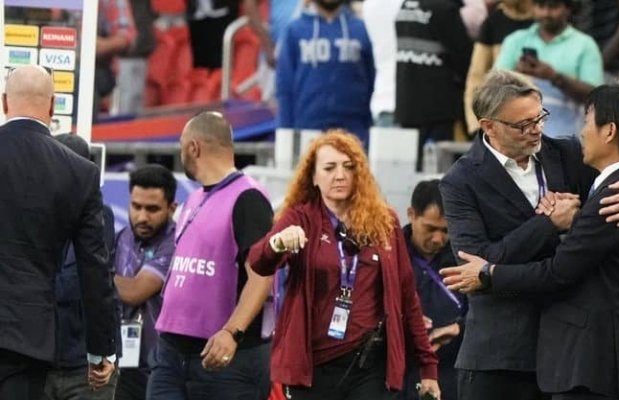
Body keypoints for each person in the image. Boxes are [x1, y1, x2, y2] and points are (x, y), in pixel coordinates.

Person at [440, 70, 619, 400]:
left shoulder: (566, 153)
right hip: (501, 356)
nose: (536, 129)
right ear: (488, 126)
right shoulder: (460, 181)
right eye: (523, 125)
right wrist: (548, 224)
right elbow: (477, 263)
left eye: (540, 118)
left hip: (568, 354)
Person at [246, 131, 441, 400]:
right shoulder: (300, 217)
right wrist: (277, 244)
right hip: (312, 365)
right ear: (313, 177)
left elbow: (407, 296)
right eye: (329, 168)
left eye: (349, 167)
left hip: (369, 362)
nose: (340, 175)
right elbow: (259, 262)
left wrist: (428, 366)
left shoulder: (384, 222)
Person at [0, 65, 116, 398]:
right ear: (52, 106)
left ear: (5, 102)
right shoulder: (80, 172)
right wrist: (100, 349)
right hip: (28, 337)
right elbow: (95, 269)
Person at [149, 112, 274, 399]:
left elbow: (262, 275)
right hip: (172, 352)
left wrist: (232, 332)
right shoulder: (194, 198)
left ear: (193, 147)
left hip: (224, 358)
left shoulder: (248, 198)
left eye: (182, 146)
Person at [45, 134, 120, 400]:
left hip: (85, 364)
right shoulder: (32, 212)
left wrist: (105, 352)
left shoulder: (100, 215)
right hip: (39, 360)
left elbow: (85, 280)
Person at [113, 164, 178, 400]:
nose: (142, 217)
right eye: (136, 206)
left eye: (152, 209)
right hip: (122, 363)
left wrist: (91, 272)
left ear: (172, 208)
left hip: (162, 366)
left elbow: (134, 291)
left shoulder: (178, 243)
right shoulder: (121, 238)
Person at [494, 0, 605, 139]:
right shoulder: (515, 40)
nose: (546, 13)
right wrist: (518, 75)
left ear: (568, 8)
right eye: (541, 6)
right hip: (518, 136)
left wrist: (554, 77)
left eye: (553, 7)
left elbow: (595, 97)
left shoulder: (585, 45)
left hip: (565, 138)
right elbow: (495, 86)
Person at [398, 179, 466, 400]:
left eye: (445, 230)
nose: (438, 239)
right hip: (402, 373)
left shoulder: (463, 257)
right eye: (430, 228)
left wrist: (459, 327)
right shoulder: (391, 256)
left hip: (452, 371)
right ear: (411, 215)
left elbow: (485, 309)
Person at [277, 0, 376, 143]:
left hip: (354, 131)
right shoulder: (295, 31)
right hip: (308, 129)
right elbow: (285, 87)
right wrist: (286, 134)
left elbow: (372, 81)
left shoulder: (361, 29)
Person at [395, 0, 473, 169]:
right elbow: (466, 60)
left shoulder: (406, 5)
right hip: (439, 108)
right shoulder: (443, 8)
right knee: (443, 171)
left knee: (409, 170)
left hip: (407, 104)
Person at [464, 0, 534, 133]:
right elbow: (476, 76)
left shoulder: (548, 22)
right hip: (502, 119)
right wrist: (475, 124)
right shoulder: (493, 23)